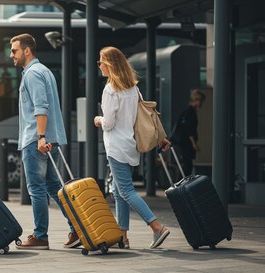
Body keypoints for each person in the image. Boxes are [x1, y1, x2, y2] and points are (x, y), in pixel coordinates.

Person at [94, 46, 171, 249]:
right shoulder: (133, 88)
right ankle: (123, 237)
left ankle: (157, 227)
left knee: (126, 191)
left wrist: (98, 120)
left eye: (101, 61)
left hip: (116, 147)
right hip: (130, 145)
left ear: (110, 65)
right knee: (119, 192)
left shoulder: (110, 90)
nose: (99, 65)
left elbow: (109, 123)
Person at [10, 33, 80, 250]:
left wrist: (40, 137)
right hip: (50, 139)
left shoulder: (32, 74)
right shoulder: (45, 71)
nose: (11, 55)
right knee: (54, 187)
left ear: (27, 50)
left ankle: (40, 236)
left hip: (37, 140)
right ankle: (76, 228)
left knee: (37, 189)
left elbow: (41, 107)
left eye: (14, 50)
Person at [170, 89, 206, 176]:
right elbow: (189, 129)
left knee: (186, 165)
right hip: (186, 143)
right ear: (196, 100)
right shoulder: (190, 113)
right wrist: (194, 143)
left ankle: (181, 184)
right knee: (187, 165)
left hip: (183, 142)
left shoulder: (186, 112)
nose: (201, 104)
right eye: (201, 101)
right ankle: (181, 185)